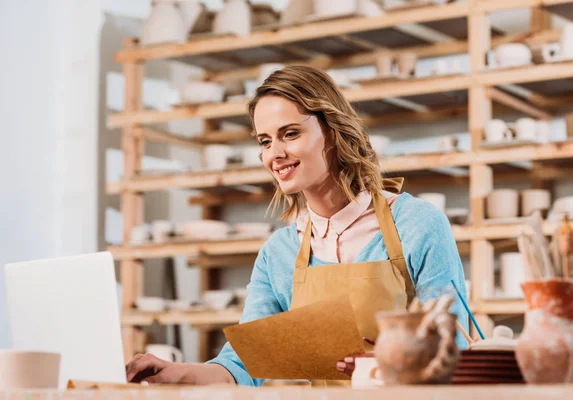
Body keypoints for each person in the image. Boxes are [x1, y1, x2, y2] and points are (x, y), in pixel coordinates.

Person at [125, 65, 469, 386]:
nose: (275, 153)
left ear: (333, 133)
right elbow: (243, 366)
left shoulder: (418, 225)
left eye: (289, 134)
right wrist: (178, 373)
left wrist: (392, 363)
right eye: (264, 141)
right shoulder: (279, 253)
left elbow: (456, 347)